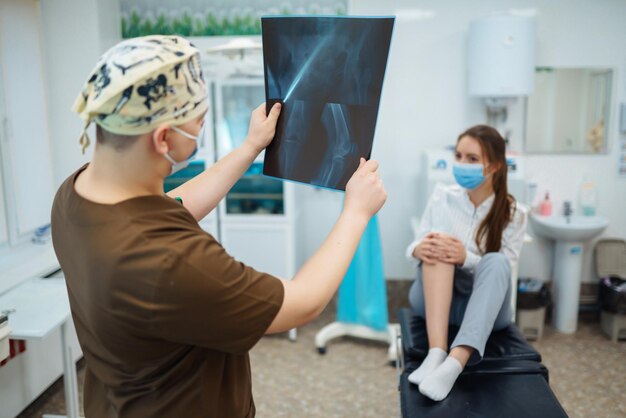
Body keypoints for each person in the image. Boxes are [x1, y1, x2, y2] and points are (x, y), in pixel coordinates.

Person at [51, 35, 386, 418]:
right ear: (163, 137)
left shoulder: (76, 196)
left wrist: (249, 147)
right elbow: (302, 302)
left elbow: (172, 207)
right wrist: (356, 212)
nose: (201, 129)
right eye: (199, 121)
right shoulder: (168, 261)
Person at [405, 125, 528, 401]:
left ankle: (455, 362)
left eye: (471, 159)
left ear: (494, 165)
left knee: (495, 261)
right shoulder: (442, 197)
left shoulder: (514, 213)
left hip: (484, 311)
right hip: (437, 304)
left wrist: (466, 258)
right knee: (437, 245)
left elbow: (505, 270)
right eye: (458, 156)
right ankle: (436, 353)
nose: (461, 164)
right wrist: (420, 248)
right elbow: (414, 244)